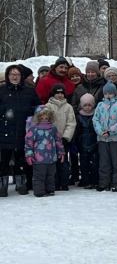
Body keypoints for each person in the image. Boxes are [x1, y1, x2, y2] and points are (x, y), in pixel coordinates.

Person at [0, 64, 40, 195]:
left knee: (21, 158)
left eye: (17, 74)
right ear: (7, 76)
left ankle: (21, 183)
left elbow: (38, 107)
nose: (14, 77)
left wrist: (30, 113)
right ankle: (2, 185)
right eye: (12, 74)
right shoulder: (2, 90)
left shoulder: (29, 91)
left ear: (21, 76)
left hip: (24, 129)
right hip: (4, 128)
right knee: (4, 159)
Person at [93, 81, 117, 191]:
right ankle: (104, 182)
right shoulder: (100, 105)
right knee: (104, 161)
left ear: (115, 93)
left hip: (116, 138)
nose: (108, 95)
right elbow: (95, 119)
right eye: (106, 93)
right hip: (102, 138)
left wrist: (110, 131)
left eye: (110, 93)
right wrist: (100, 131)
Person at [24, 105, 63, 197]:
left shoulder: (53, 128)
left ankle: (50, 190)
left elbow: (58, 140)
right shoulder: (34, 129)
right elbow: (28, 142)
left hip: (51, 158)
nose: (44, 118)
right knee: (39, 176)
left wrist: (61, 152)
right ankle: (39, 191)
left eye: (46, 116)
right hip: (38, 158)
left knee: (50, 175)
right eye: (42, 116)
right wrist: (29, 155)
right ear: (38, 117)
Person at [45, 84, 76, 191]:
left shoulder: (68, 107)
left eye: (62, 93)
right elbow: (45, 122)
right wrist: (48, 136)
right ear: (53, 94)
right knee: (53, 161)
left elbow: (71, 123)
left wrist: (66, 137)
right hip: (51, 139)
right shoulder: (48, 106)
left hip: (63, 139)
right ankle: (55, 182)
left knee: (63, 161)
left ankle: (64, 182)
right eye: (57, 93)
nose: (60, 95)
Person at [75, 94, 99, 189]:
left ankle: (94, 180)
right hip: (83, 142)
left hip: (94, 141)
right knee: (84, 162)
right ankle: (85, 180)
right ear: (81, 105)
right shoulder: (78, 116)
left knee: (95, 162)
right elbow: (77, 130)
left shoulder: (96, 114)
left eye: (89, 105)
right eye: (85, 105)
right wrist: (77, 141)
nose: (87, 107)